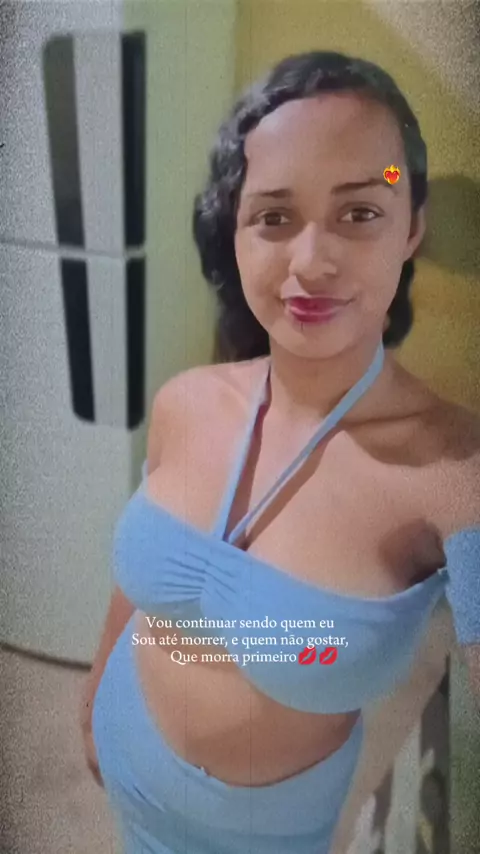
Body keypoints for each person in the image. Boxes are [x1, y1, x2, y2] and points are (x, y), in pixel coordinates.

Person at [80, 51, 480, 854]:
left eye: (360, 211)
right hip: (126, 755)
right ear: (235, 233)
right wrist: (92, 699)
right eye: (273, 216)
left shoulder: (453, 473)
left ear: (412, 225)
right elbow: (135, 599)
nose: (311, 263)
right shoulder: (186, 401)